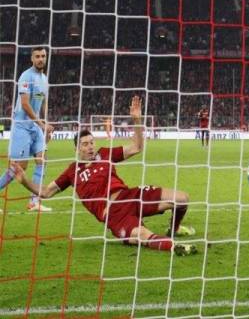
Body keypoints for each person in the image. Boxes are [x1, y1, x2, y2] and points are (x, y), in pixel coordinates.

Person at [12, 96, 197, 255]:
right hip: (114, 214)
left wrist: (137, 121)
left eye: (92, 142)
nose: (90, 146)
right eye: (85, 144)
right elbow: (45, 192)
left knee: (182, 198)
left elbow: (136, 147)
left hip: (130, 196)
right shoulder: (72, 171)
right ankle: (176, 247)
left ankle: (174, 229)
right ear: (77, 148)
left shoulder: (104, 154)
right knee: (142, 235)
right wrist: (24, 181)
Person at [0, 47, 54, 212]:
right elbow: (25, 104)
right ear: (32, 58)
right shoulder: (26, 76)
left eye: (43, 56)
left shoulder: (44, 79)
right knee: (20, 167)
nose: (40, 59)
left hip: (35, 126)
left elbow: (42, 101)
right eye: (37, 56)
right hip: (22, 126)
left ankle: (34, 201)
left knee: (42, 159)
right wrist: (41, 123)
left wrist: (46, 123)